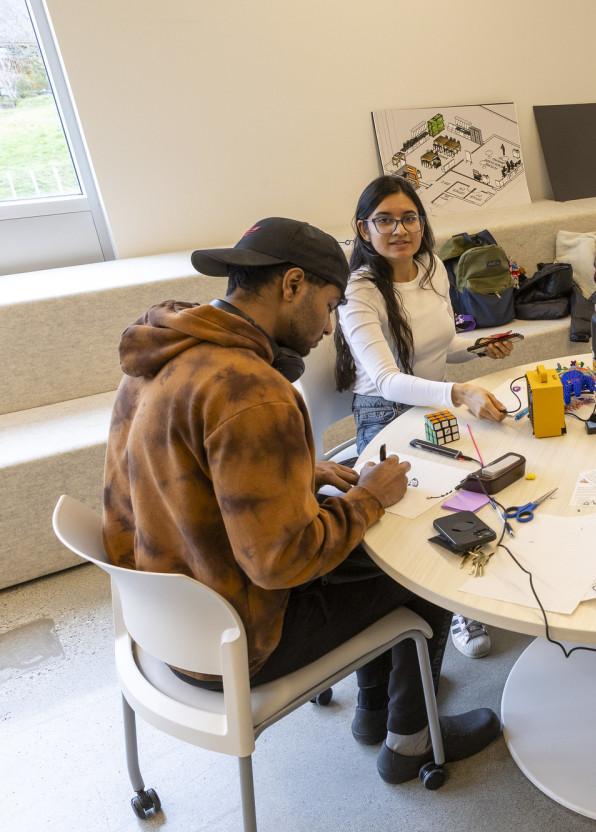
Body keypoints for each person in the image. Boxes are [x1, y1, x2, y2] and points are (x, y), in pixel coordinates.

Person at [102, 217, 501, 785]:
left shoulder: (159, 358)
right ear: (293, 284)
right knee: (420, 563)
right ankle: (410, 739)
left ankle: (373, 711)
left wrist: (295, 472)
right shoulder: (255, 392)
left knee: (366, 551)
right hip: (239, 641)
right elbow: (283, 562)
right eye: (331, 302)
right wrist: (368, 497)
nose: (329, 325)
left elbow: (176, 470)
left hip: (167, 620)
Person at [335, 175, 511, 661]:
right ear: (363, 228)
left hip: (432, 398)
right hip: (383, 410)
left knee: (487, 469)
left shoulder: (432, 266)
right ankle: (453, 604)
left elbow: (441, 349)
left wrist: (475, 349)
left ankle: (471, 568)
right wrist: (459, 393)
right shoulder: (360, 291)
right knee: (425, 501)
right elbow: (389, 379)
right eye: (384, 220)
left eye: (409, 217)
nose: (399, 229)